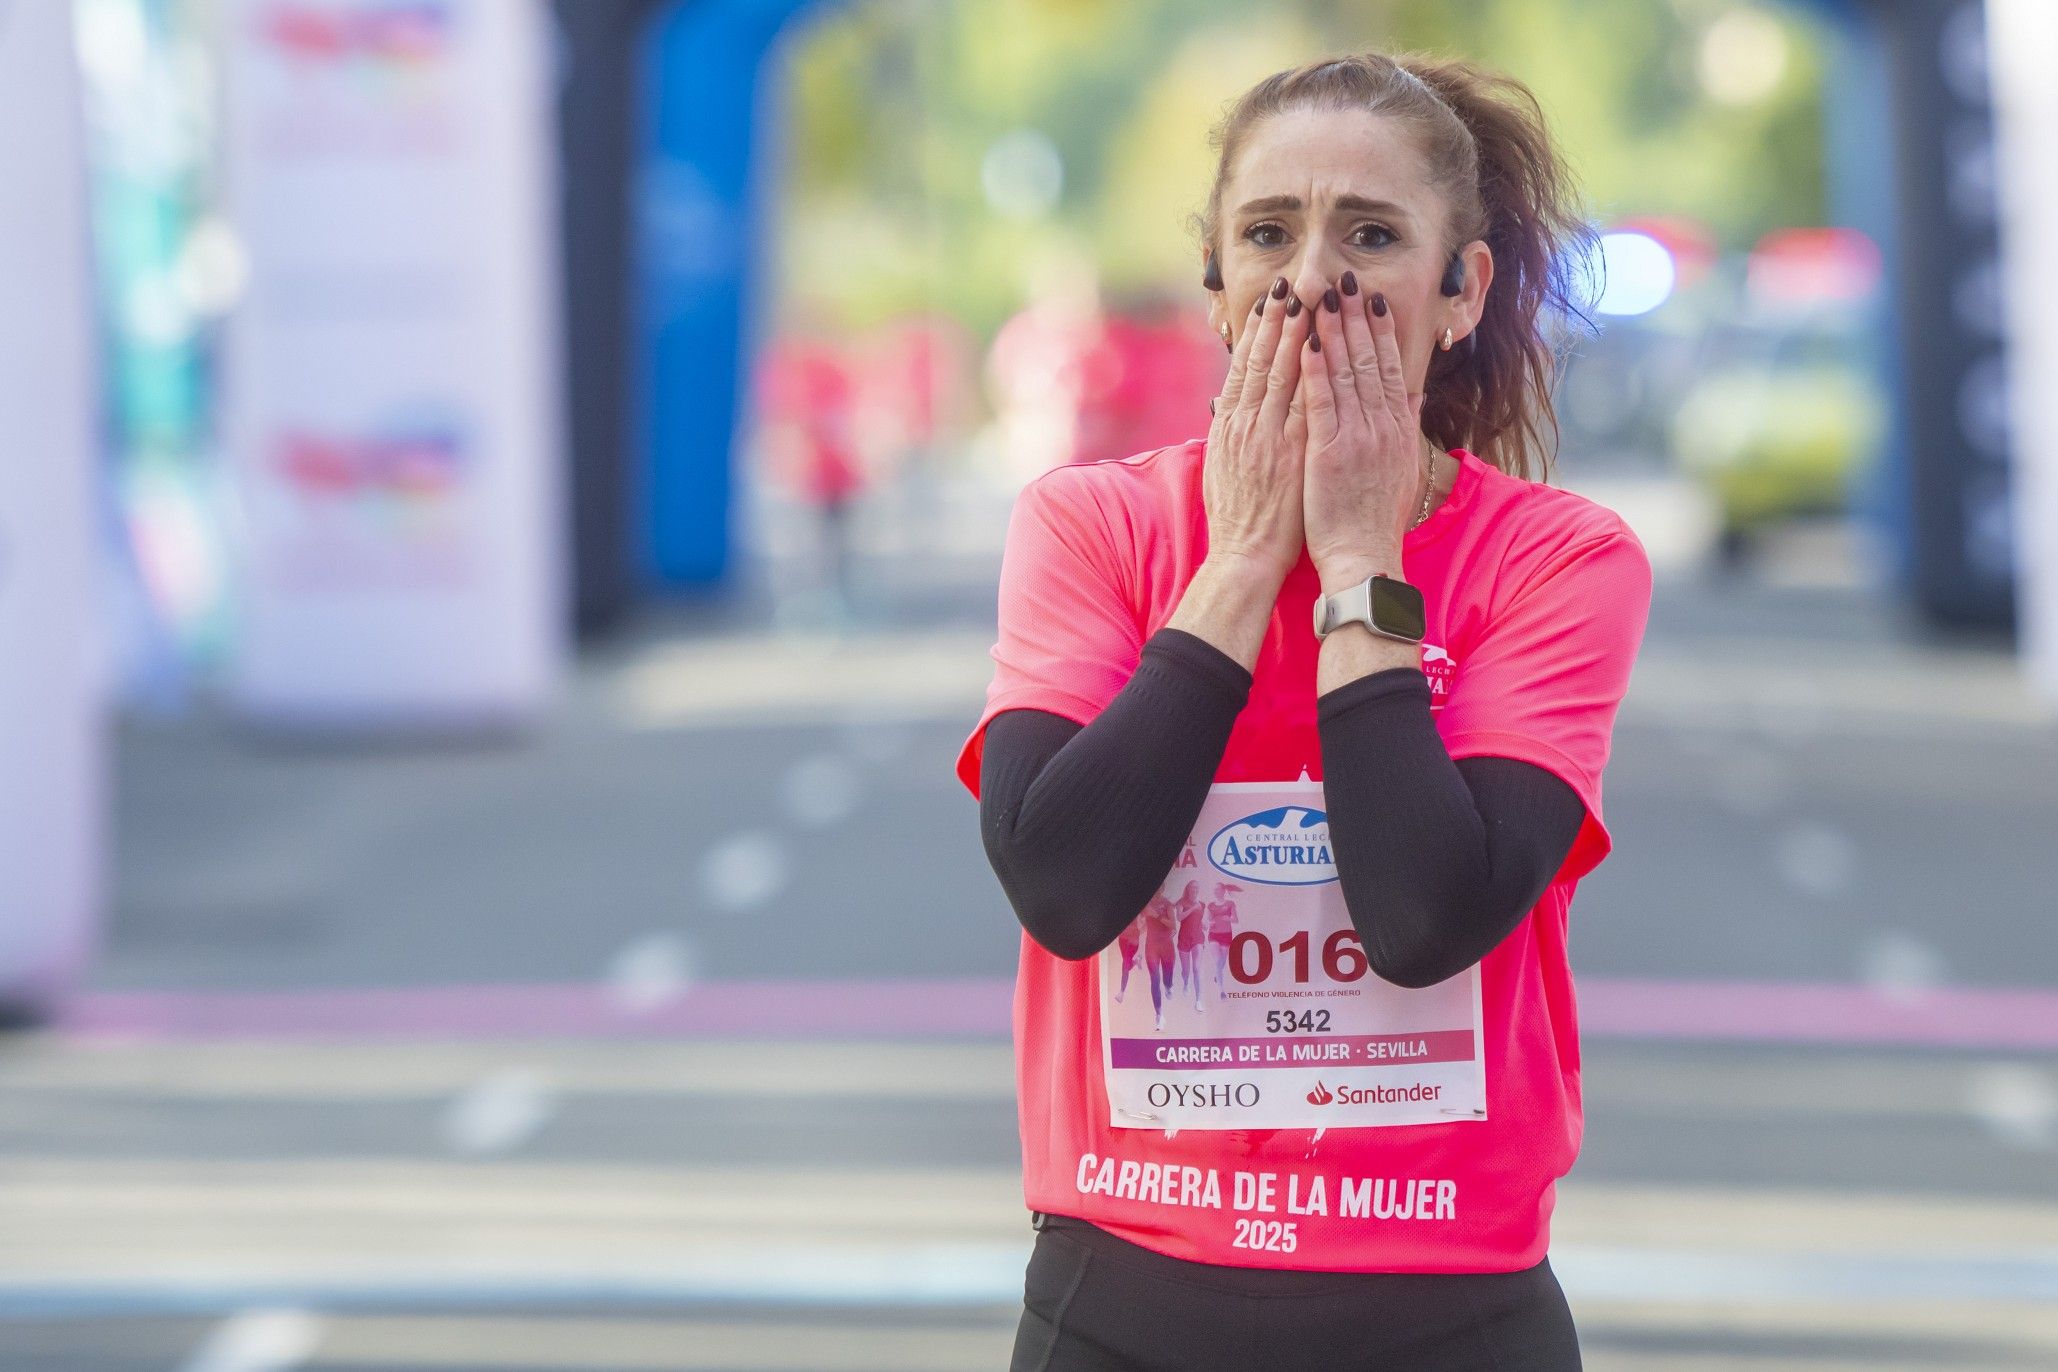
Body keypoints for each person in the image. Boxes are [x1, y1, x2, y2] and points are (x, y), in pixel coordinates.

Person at [961, 49, 1654, 1370]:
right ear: (1215, 287)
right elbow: (1061, 885)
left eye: (1373, 235)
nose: (1313, 276)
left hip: (1448, 1306)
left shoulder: (1558, 562)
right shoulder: (1091, 524)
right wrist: (1236, 565)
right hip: (1125, 1299)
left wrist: (1355, 570)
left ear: (1460, 290)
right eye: (1268, 233)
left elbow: (1421, 919)